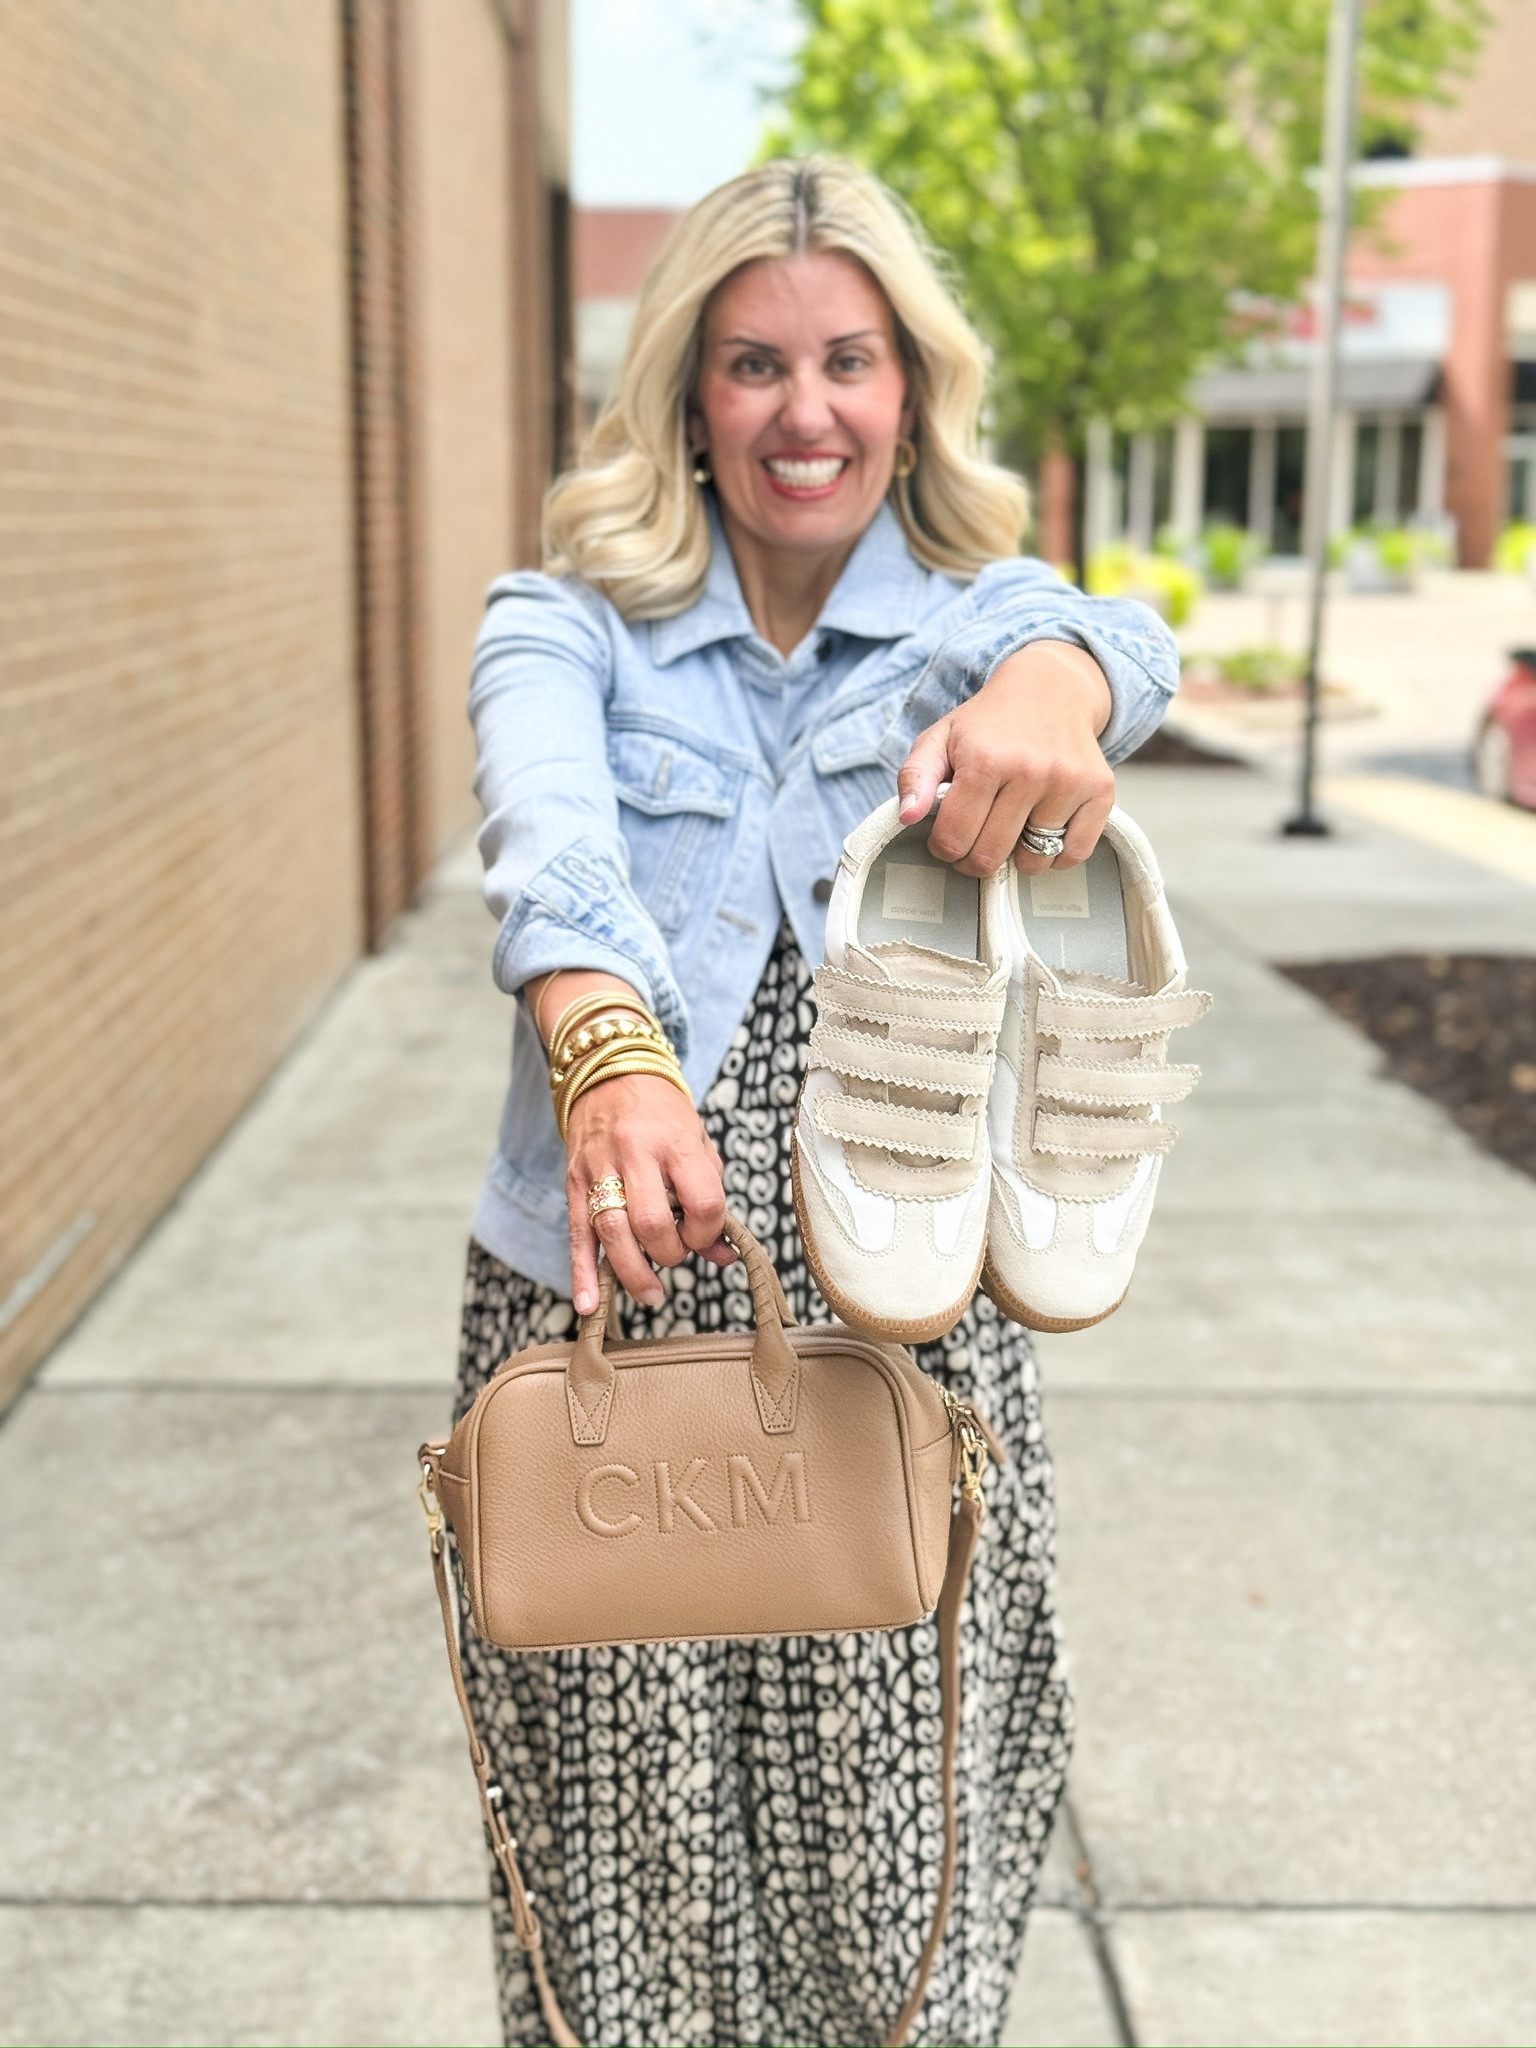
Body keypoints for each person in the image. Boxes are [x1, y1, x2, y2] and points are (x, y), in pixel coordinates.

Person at [458, 156, 1177, 2047]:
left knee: (893, 1862)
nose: (806, 411)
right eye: (755, 363)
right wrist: (610, 1056)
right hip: (612, 1298)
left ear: (911, 390)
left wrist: (1051, 683)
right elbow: (550, 843)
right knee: (625, 1870)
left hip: (904, 1316)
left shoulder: (977, 620)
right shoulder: (564, 624)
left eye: (850, 360)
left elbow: (1119, 643)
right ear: (688, 397)